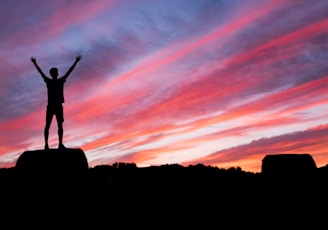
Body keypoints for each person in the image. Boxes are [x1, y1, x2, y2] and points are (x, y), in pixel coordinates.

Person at [31, 55, 82, 150]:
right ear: (55, 74)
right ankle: (52, 144)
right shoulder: (55, 81)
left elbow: (41, 73)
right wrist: (76, 62)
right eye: (56, 72)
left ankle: (55, 144)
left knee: (53, 125)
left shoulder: (53, 81)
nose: (57, 73)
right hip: (54, 105)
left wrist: (35, 63)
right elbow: (69, 72)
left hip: (55, 105)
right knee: (53, 125)